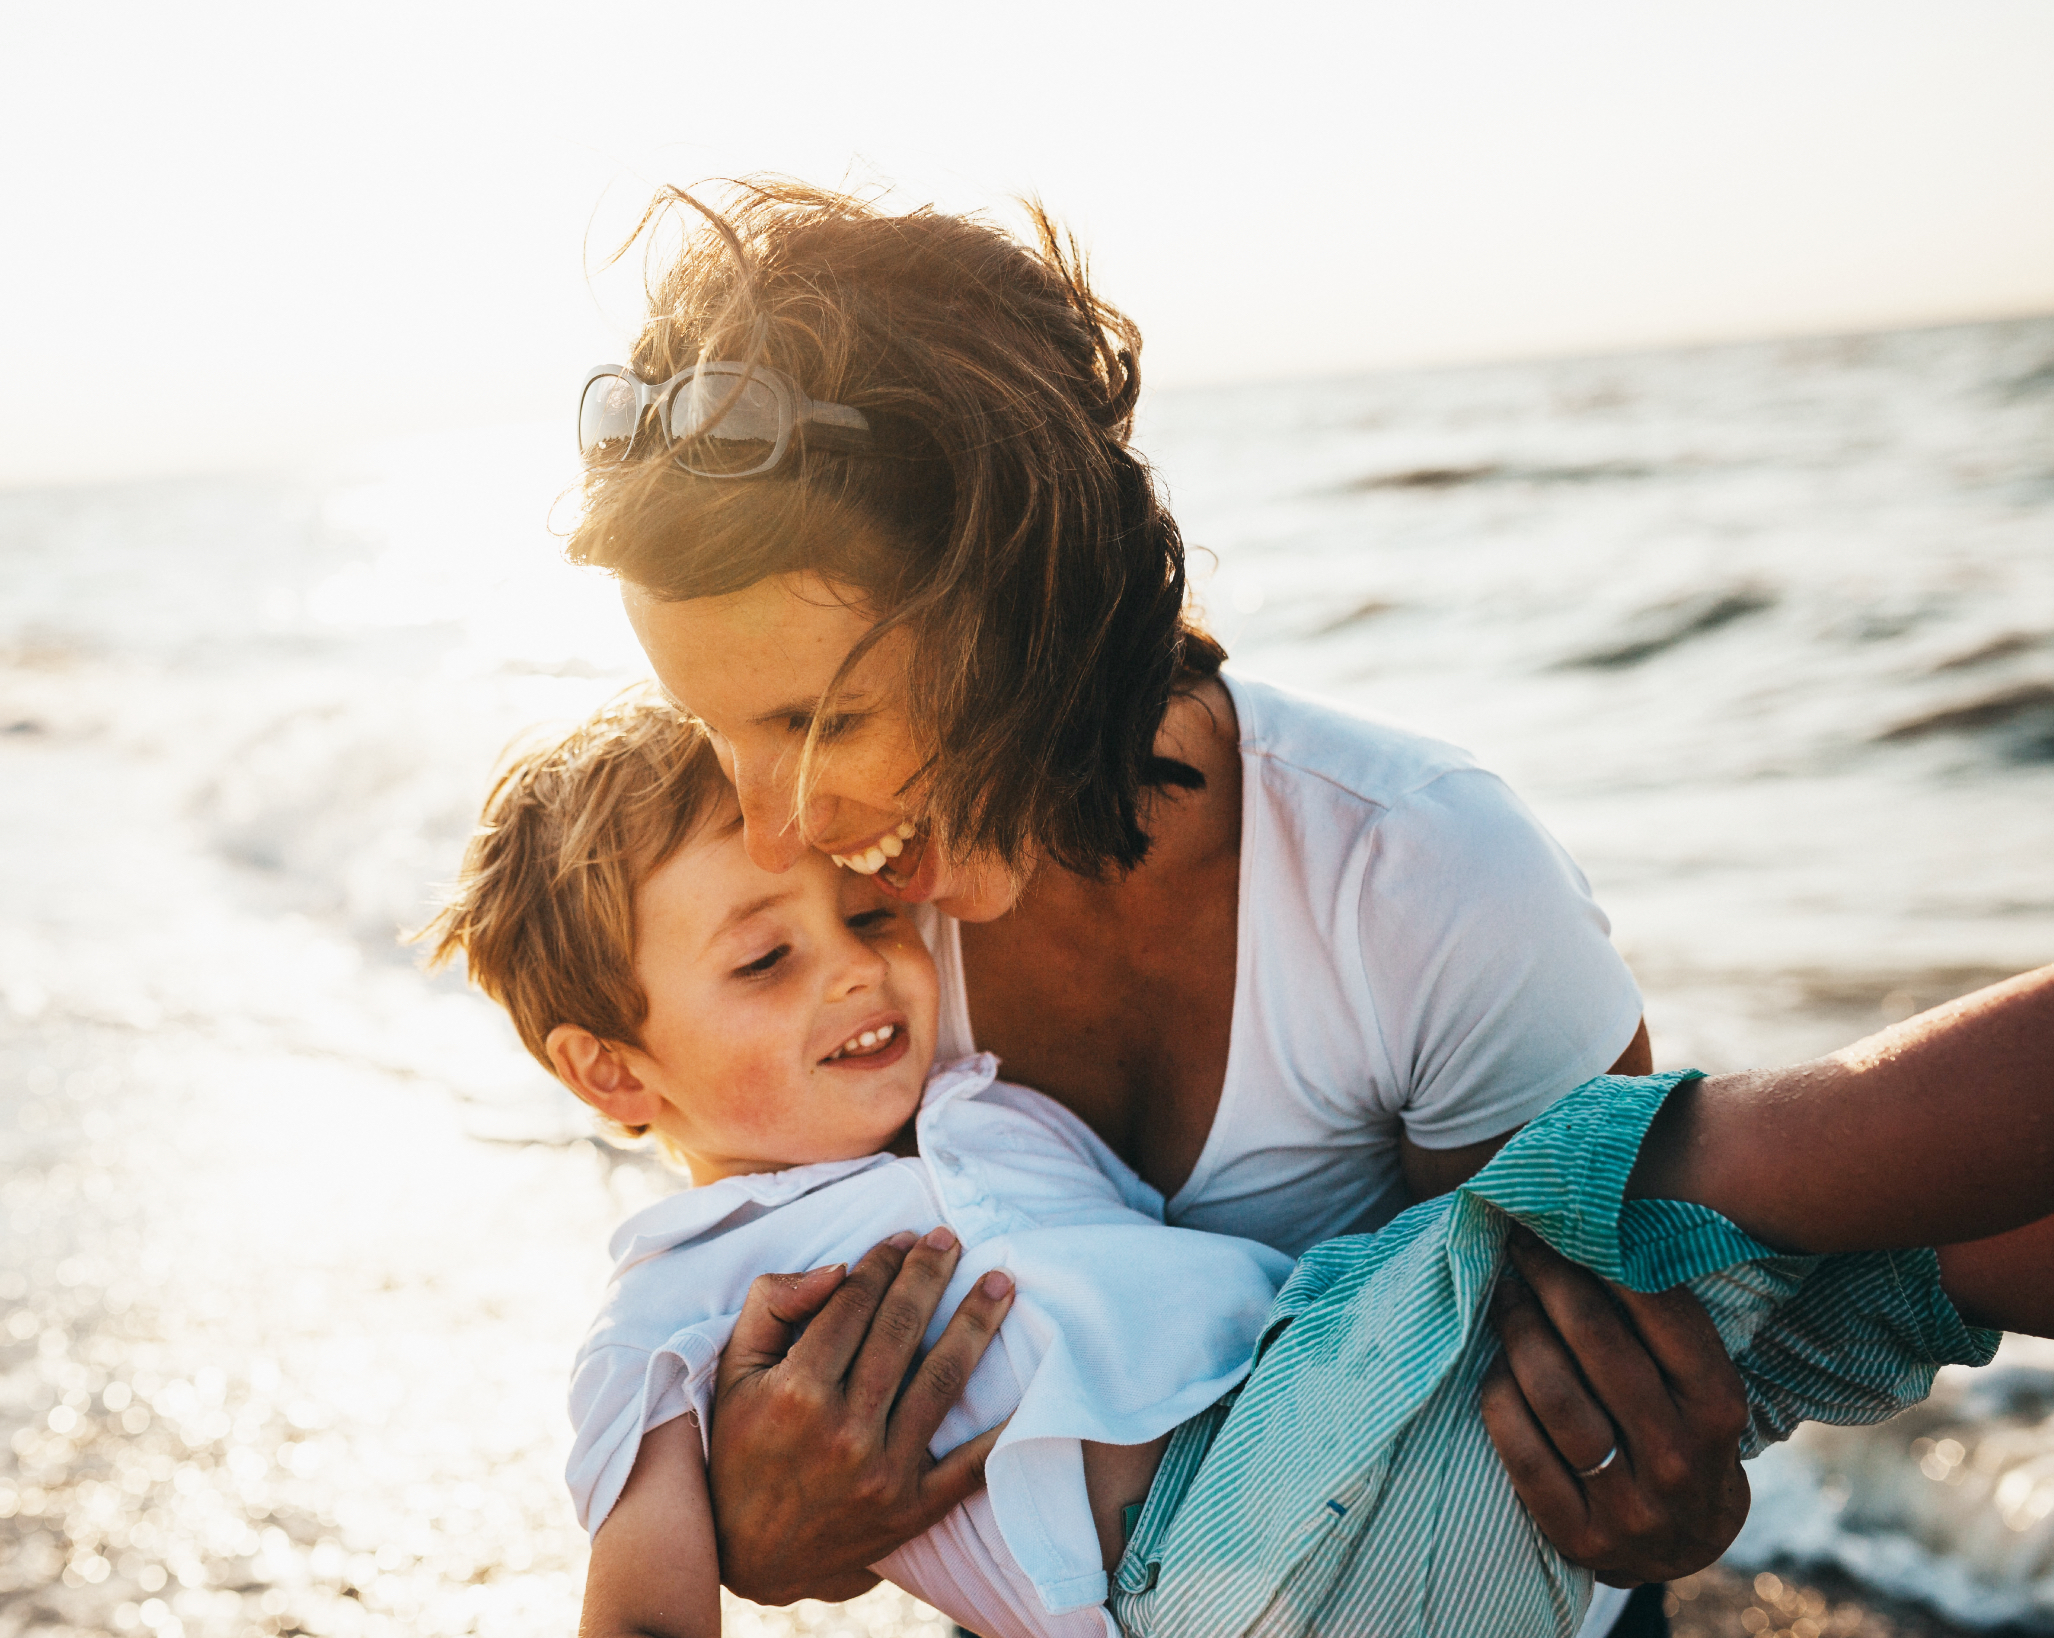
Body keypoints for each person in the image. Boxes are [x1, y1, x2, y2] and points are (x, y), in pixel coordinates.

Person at [563, 178, 1735, 1631]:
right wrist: (765, 1520)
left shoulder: (1416, 877)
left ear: (1026, 605)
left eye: (824, 720)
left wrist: (1662, 1486)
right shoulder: (837, 941)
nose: (773, 823)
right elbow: (831, 1336)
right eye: (712, 731)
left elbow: (1615, 1405)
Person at [419, 693, 2052, 1638]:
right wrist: (744, 1537)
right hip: (1210, 1565)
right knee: (1672, 1170)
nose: (859, 970)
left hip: (1358, 1502)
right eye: (762, 964)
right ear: (612, 1072)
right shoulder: (676, 1301)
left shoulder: (983, 1110)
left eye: (862, 915)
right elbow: (638, 1609)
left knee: (1871, 1276)